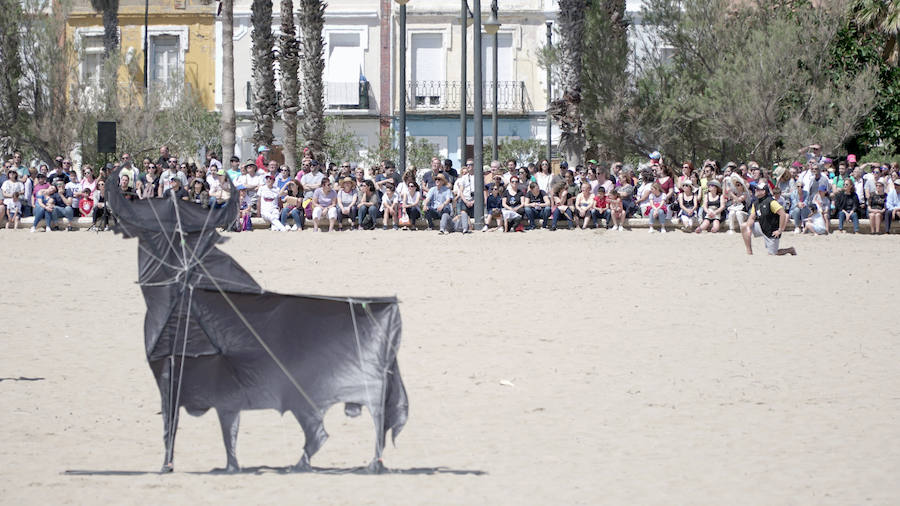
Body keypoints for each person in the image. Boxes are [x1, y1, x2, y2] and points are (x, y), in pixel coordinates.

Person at [741, 183, 796, 256]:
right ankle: (749, 252)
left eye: (758, 189)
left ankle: (790, 250)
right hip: (762, 227)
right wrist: (748, 226)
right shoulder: (756, 203)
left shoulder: (771, 202)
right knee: (744, 226)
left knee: (773, 253)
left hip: (772, 231)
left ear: (763, 192)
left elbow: (783, 214)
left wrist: (780, 230)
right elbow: (752, 217)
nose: (755, 190)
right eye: (755, 189)